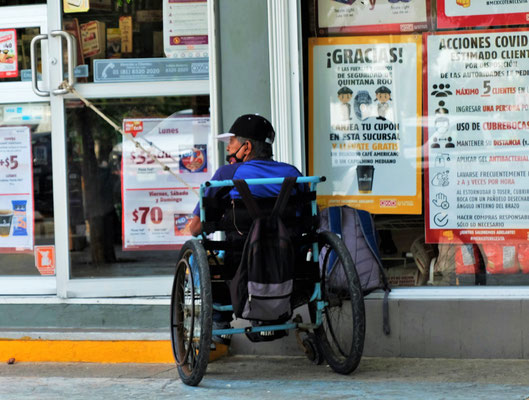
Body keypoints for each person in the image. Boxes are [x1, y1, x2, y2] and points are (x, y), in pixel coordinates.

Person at [188, 113, 304, 345]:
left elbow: (195, 228)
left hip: (240, 266)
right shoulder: (294, 175)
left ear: (246, 147)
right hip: (289, 264)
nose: (229, 149)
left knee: (196, 256)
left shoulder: (226, 176)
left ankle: (219, 320)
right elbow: (309, 218)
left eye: (231, 143)